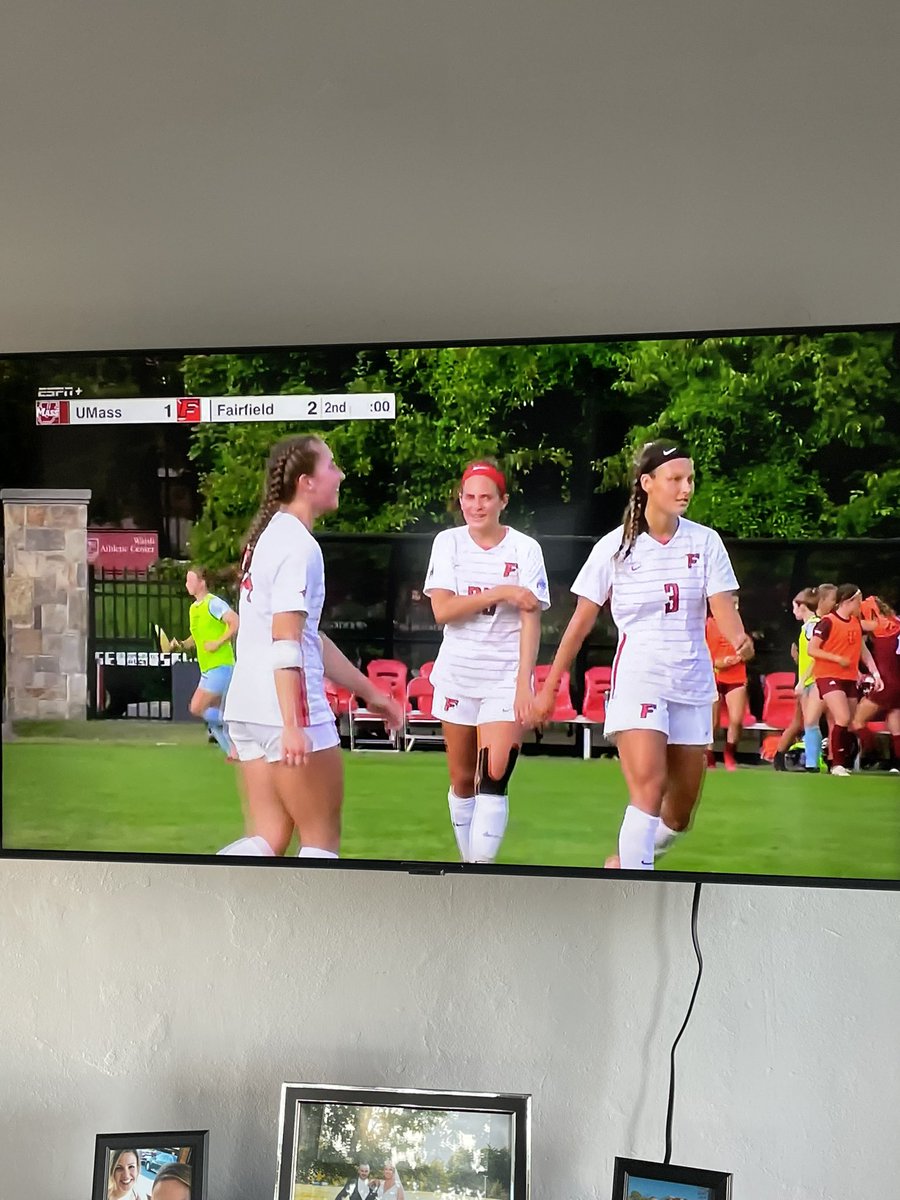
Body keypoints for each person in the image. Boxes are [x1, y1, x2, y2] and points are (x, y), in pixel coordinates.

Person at [532, 439, 753, 870]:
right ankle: (634, 885)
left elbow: (722, 605)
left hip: (691, 682)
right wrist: (549, 686)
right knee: (649, 791)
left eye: (689, 479)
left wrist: (739, 637)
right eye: (675, 479)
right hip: (639, 679)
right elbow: (579, 623)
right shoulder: (615, 547)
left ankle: (628, 860)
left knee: (680, 813)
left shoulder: (706, 542)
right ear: (647, 483)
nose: (685, 488)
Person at [219, 435, 403, 858]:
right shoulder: (299, 546)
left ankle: (203, 906)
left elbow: (307, 639)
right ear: (306, 482)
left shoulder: (268, 538)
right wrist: (290, 724)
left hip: (247, 710)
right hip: (284, 711)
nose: (340, 475)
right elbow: (286, 640)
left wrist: (372, 694)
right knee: (321, 841)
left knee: (267, 839)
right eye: (331, 466)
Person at [424, 458, 550, 864]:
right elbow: (442, 611)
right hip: (458, 675)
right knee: (463, 781)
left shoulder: (525, 548)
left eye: (486, 497)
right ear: (460, 501)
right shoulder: (448, 543)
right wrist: (500, 592)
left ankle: (481, 871)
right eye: (470, 497)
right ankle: (468, 864)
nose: (477, 505)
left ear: (502, 502)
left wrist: (523, 684)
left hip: (503, 678)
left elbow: (532, 614)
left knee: (494, 776)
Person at [807, 584, 882, 776]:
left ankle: (841, 758)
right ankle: (837, 764)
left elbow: (863, 652)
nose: (861, 605)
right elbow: (812, 649)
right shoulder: (827, 622)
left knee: (848, 721)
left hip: (848, 677)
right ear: (848, 601)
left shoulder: (855, 623)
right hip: (828, 675)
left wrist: (875, 674)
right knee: (842, 717)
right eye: (859, 600)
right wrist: (836, 658)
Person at [171, 565, 239, 755]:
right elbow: (197, 636)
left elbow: (235, 622)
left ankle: (239, 725)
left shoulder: (213, 603)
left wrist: (217, 643)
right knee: (211, 717)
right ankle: (234, 753)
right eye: (186, 581)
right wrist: (182, 645)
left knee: (197, 707)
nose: (187, 585)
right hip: (207, 669)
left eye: (191, 580)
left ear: (202, 583)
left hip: (222, 665)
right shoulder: (194, 609)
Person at [772, 587, 826, 773]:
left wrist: (802, 680)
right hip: (808, 679)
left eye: (795, 606)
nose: (792, 611)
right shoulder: (807, 626)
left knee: (810, 721)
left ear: (802, 606)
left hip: (813, 679)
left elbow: (815, 656)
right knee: (805, 722)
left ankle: (814, 762)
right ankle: (810, 761)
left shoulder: (812, 626)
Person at [851, 595, 900, 773]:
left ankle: (872, 755)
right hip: (898, 683)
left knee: (856, 721)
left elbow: (851, 627)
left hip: (886, 683)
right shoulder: (896, 623)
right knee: (895, 723)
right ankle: (896, 763)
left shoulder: (877, 626)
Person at [705, 594, 748, 770]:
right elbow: (701, 650)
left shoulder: (739, 626)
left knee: (736, 719)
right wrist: (717, 663)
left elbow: (749, 650)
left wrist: (741, 655)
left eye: (736, 604)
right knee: (712, 722)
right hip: (713, 674)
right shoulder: (707, 624)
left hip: (736, 674)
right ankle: (709, 756)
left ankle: (729, 754)